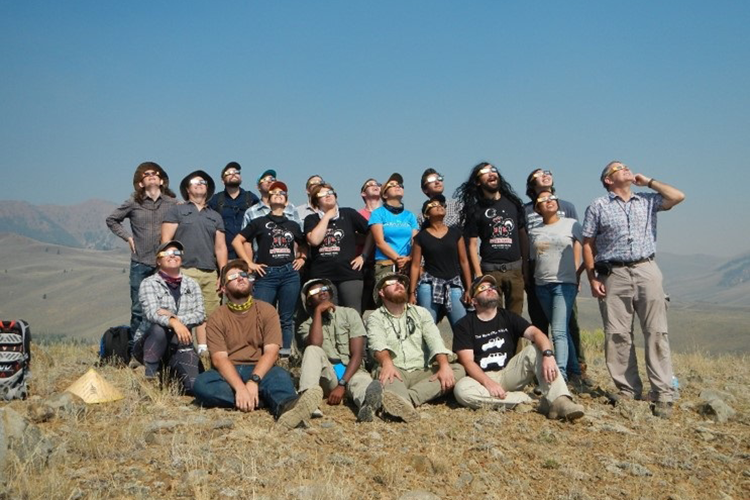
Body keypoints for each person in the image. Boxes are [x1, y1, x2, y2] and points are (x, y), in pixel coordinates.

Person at [582, 161, 685, 418]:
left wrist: (648, 181)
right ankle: (628, 390)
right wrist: (592, 277)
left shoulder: (647, 201)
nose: (626, 169)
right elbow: (587, 243)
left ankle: (662, 393)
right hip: (613, 274)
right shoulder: (598, 206)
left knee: (656, 331)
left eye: (627, 166)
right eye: (619, 168)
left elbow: (678, 196)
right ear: (608, 179)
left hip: (646, 268)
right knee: (617, 334)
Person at [192, 260, 323, 428]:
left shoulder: (267, 310)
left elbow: (271, 352)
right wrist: (240, 388)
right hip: (229, 372)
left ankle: (288, 407)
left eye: (244, 274)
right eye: (233, 276)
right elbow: (219, 359)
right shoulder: (217, 317)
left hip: (260, 370)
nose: (240, 278)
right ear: (223, 289)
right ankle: (263, 399)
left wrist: (254, 381)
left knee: (280, 376)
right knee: (202, 384)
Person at [452, 275, 585, 421]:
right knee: (462, 390)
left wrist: (548, 355)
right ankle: (530, 401)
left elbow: (536, 333)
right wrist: (488, 383)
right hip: (481, 379)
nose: (490, 289)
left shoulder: (508, 317)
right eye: (483, 288)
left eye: (492, 287)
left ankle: (561, 401)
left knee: (536, 349)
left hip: (508, 372)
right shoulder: (464, 325)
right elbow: (468, 362)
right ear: (474, 300)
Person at [366, 273, 465, 422]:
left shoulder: (421, 312)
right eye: (391, 283)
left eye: (400, 282)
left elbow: (434, 339)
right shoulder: (375, 317)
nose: (399, 284)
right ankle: (401, 402)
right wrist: (387, 363)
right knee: (385, 374)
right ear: (381, 292)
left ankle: (406, 400)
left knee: (458, 369)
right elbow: (377, 343)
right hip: (395, 369)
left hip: (422, 370)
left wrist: (444, 365)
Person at [523, 168, 588, 380]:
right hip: (541, 284)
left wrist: (578, 272)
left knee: (560, 330)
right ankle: (574, 370)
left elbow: (585, 247)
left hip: (564, 283)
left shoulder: (571, 223)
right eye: (544, 200)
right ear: (537, 208)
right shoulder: (534, 230)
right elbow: (533, 257)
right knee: (560, 330)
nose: (550, 201)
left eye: (553, 198)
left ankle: (559, 376)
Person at [233, 181, 307, 357]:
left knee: (286, 319)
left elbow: (304, 244)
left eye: (282, 193)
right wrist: (249, 263)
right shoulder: (259, 222)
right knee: (261, 316)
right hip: (266, 274)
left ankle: (284, 355)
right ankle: (261, 353)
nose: (278, 195)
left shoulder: (293, 224)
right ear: (268, 198)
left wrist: (302, 258)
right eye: (274, 193)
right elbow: (237, 241)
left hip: (289, 273)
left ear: (287, 200)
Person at [106, 161, 177, 336]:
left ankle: (162, 351)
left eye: (155, 173)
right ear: (140, 183)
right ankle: (135, 352)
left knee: (165, 308)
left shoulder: (173, 204)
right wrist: (127, 237)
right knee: (138, 309)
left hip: (165, 264)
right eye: (146, 174)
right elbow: (112, 220)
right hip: (140, 262)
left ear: (162, 181)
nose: (151, 175)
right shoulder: (133, 203)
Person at [162, 170, 227, 354]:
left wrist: (222, 273)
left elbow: (221, 248)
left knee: (210, 314)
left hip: (209, 272)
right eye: (195, 181)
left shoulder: (215, 216)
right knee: (183, 311)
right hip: (183, 270)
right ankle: (181, 350)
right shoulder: (177, 211)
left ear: (207, 189)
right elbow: (166, 240)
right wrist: (169, 268)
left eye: (203, 182)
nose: (199, 183)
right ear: (187, 188)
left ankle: (206, 350)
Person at [297, 278, 379, 421]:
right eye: (315, 291)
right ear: (309, 301)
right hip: (328, 376)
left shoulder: (350, 313)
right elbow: (315, 343)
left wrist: (342, 385)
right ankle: (308, 403)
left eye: (324, 289)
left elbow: (358, 354)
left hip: (352, 371)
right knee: (311, 350)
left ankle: (367, 407)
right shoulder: (305, 326)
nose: (321, 293)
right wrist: (318, 312)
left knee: (362, 383)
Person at [457, 162, 528, 316]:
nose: (491, 173)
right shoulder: (475, 209)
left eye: (493, 170)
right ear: (477, 181)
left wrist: (525, 266)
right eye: (485, 172)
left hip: (515, 270)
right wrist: (479, 274)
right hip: (490, 271)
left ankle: (515, 342)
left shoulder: (513, 204)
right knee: (496, 318)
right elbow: (472, 244)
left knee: (516, 319)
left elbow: (523, 236)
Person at [132, 240, 204, 393]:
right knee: (159, 328)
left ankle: (168, 372)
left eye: (177, 253)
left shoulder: (192, 285)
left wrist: (175, 319)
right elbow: (152, 313)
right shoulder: (149, 283)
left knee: (194, 386)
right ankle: (149, 376)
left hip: (180, 344)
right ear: (158, 260)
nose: (173, 256)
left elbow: (200, 315)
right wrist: (173, 322)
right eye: (166, 254)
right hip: (148, 343)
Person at [304, 183, 371, 313]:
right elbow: (315, 240)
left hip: (349, 273)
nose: (328, 195)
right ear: (316, 200)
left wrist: (364, 255)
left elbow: (371, 232)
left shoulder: (349, 213)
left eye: (330, 192)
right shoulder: (311, 219)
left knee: (353, 315)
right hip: (322, 274)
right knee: (328, 314)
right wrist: (327, 216)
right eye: (322, 194)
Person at [408, 195, 472, 328]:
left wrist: (469, 288)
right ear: (426, 214)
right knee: (428, 327)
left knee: (462, 327)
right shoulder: (421, 237)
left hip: (453, 284)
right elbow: (415, 265)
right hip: (429, 285)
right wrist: (412, 293)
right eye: (433, 205)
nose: (439, 206)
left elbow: (464, 261)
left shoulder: (455, 233)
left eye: (441, 205)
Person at [368, 173, 419, 303]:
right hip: (385, 263)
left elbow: (416, 241)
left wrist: (408, 258)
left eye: (400, 185)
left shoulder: (410, 216)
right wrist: (397, 259)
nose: (397, 186)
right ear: (384, 194)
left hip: (407, 265)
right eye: (392, 185)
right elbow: (379, 242)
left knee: (407, 303)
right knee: (386, 302)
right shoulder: (378, 213)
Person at [208, 162, 260, 260]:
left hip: (249, 256)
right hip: (225, 257)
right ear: (222, 180)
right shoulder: (215, 200)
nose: (233, 174)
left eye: (236, 172)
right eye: (229, 173)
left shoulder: (251, 198)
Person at [357, 178, 382, 311]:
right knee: (361, 305)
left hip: (385, 262)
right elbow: (354, 239)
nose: (375, 186)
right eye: (370, 185)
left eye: (377, 184)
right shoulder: (358, 215)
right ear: (363, 193)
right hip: (365, 265)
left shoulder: (389, 214)